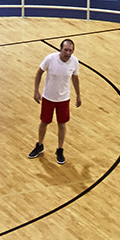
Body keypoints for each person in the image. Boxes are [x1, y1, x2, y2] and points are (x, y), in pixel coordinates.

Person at [28, 38, 83, 166]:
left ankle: (60, 149)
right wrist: (36, 91)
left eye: (70, 50)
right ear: (60, 49)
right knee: (44, 122)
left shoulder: (74, 62)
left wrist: (78, 95)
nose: (68, 53)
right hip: (48, 97)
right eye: (65, 50)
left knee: (62, 124)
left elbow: (75, 78)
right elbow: (39, 73)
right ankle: (40, 145)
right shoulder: (50, 59)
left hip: (64, 99)